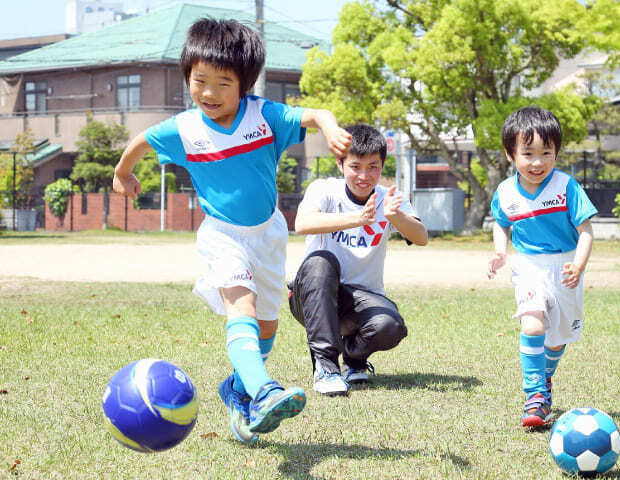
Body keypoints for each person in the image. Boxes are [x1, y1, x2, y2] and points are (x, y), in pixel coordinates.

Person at [112, 18, 352, 444]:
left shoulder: (265, 117)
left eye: (222, 83)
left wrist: (330, 128)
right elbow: (142, 140)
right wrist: (122, 173)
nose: (207, 93)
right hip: (222, 235)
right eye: (198, 80)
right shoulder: (184, 128)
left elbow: (316, 114)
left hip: (269, 234)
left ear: (244, 83)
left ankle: (238, 393)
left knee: (267, 326)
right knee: (240, 308)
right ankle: (263, 390)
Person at [289, 124, 428, 396]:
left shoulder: (389, 199)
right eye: (355, 166)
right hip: (311, 296)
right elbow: (302, 223)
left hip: (361, 300)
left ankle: (353, 360)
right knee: (321, 262)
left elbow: (421, 236)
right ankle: (326, 367)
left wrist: (395, 217)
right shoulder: (324, 189)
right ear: (341, 164)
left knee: (390, 326)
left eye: (373, 167)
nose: (364, 176)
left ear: (382, 166)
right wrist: (357, 219)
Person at [487, 106, 597, 428]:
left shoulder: (566, 187)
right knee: (532, 325)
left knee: (558, 339)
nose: (538, 163)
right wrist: (499, 251)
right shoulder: (506, 192)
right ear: (511, 154)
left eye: (546, 153)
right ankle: (534, 396)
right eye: (528, 153)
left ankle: (544, 381)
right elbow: (501, 223)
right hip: (529, 265)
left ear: (556, 153)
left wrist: (578, 265)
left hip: (565, 268)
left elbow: (586, 231)